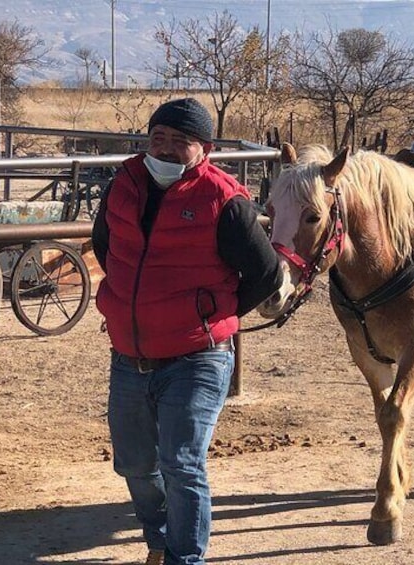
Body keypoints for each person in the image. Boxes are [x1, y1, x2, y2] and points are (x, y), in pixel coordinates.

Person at [91, 98, 283, 565]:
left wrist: (214, 316)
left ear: (205, 149)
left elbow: (267, 273)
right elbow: (104, 246)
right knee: (135, 464)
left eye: (181, 141)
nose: (167, 149)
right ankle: (159, 539)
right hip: (129, 356)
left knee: (182, 463)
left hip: (198, 357)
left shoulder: (225, 200)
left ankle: (184, 558)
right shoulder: (124, 184)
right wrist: (125, 303)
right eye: (159, 138)